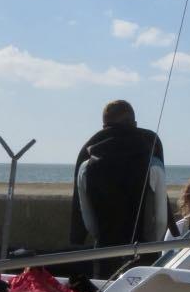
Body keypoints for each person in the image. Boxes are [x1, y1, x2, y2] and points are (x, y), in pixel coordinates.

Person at [71, 100, 172, 275]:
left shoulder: (86, 167)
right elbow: (162, 220)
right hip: (144, 254)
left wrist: (103, 239)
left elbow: (88, 221)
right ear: (134, 125)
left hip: (105, 254)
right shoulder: (153, 165)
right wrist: (151, 246)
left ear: (104, 127)